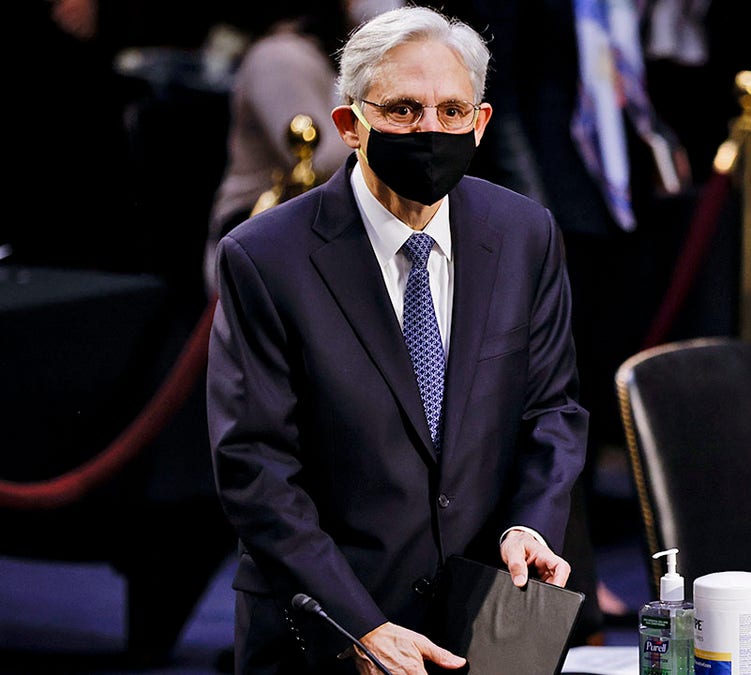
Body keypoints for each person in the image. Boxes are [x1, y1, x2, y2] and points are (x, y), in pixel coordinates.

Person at [206, 6, 589, 674]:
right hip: (327, 633)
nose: (430, 130)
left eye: (450, 110)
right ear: (350, 124)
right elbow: (255, 467)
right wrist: (360, 624)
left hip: (489, 625)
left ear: (481, 122)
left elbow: (552, 410)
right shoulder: (265, 256)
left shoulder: (525, 233)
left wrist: (531, 523)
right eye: (405, 110)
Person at [203, 0, 371, 295]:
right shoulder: (278, 57)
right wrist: (387, 118)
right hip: (260, 231)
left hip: (323, 226)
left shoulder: (316, 54)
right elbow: (313, 163)